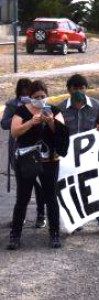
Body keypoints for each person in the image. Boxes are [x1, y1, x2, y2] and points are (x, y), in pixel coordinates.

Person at [7, 80, 69, 250]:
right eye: (36, 97)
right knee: (23, 198)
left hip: (49, 160)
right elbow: (14, 132)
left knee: (51, 197)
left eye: (43, 96)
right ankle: (15, 236)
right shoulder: (22, 111)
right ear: (30, 97)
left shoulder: (54, 111)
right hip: (27, 160)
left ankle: (54, 234)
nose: (40, 100)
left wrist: (50, 122)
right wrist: (31, 122)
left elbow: (63, 134)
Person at [57, 74, 99, 237]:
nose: (79, 91)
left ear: (86, 89)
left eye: (82, 88)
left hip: (91, 156)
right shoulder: (61, 108)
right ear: (68, 90)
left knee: (97, 188)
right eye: (75, 88)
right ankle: (76, 221)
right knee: (73, 189)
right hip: (69, 158)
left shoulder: (96, 105)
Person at [2, 78, 47, 228]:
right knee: (23, 189)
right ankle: (20, 218)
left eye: (28, 91)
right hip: (19, 149)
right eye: (23, 91)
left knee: (39, 186)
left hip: (38, 150)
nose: (26, 94)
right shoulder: (13, 105)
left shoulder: (43, 105)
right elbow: (4, 124)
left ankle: (41, 215)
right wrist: (18, 116)